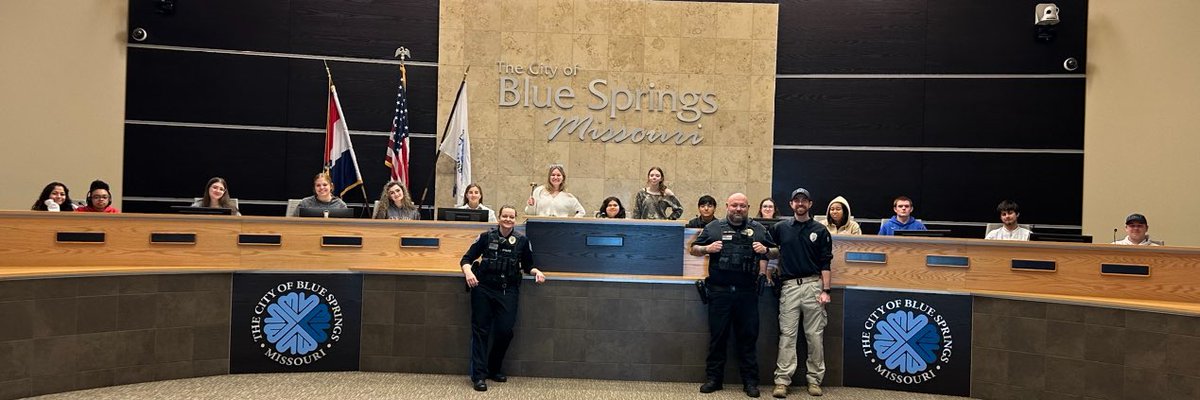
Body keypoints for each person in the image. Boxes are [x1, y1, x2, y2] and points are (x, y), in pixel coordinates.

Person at [689, 193, 776, 398]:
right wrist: (707, 248)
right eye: (735, 205)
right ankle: (714, 379)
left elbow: (776, 251)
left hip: (747, 294)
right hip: (720, 293)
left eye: (742, 206)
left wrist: (765, 250)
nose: (738, 209)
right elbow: (693, 249)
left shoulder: (758, 229)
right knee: (718, 337)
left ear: (748, 208)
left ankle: (750, 382)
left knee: (748, 338)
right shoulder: (714, 228)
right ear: (727, 206)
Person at [460, 205, 546, 392]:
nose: (508, 219)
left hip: (508, 291)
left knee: (505, 331)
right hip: (483, 289)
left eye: (511, 217)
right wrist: (468, 272)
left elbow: (528, 265)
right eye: (505, 216)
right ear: (498, 218)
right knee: (481, 331)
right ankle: (479, 376)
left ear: (515, 220)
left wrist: (536, 271)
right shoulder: (485, 237)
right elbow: (466, 259)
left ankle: (494, 368)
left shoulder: (522, 241)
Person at [767, 188, 833, 398]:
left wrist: (826, 290)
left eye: (804, 200)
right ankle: (782, 381)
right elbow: (769, 251)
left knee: (814, 336)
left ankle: (814, 380)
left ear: (810, 204)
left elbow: (825, 262)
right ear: (791, 204)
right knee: (787, 335)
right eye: (797, 200)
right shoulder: (780, 228)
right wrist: (766, 272)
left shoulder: (820, 230)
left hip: (814, 285)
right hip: (789, 287)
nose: (800, 203)